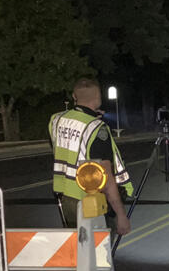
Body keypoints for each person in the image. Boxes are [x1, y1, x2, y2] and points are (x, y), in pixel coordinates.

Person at [49, 78, 132, 234]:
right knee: (97, 253)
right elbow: (105, 175)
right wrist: (121, 214)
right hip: (90, 201)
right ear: (99, 98)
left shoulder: (56, 120)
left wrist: (90, 118)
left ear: (74, 96)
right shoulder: (97, 129)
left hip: (64, 197)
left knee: (76, 249)